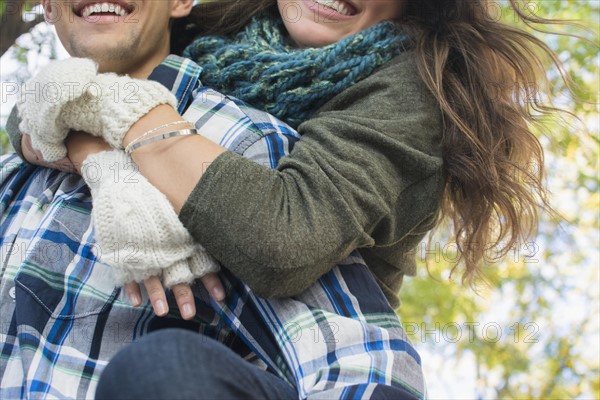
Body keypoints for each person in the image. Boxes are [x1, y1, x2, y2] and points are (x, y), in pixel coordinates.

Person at [1, 0, 425, 398]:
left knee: (163, 369)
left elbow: (288, 243)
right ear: (49, 7)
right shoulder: (17, 173)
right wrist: (71, 125)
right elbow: (71, 84)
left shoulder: (248, 148)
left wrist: (105, 117)